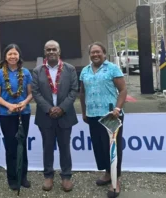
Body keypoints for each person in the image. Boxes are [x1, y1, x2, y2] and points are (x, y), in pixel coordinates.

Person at [79, 42, 127, 198]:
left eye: (98, 52)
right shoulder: (85, 71)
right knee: (99, 147)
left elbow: (123, 90)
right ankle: (107, 173)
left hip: (110, 115)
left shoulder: (112, 68)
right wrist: (84, 112)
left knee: (113, 148)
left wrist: (118, 109)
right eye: (92, 52)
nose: (95, 54)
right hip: (93, 115)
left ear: (104, 53)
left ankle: (116, 180)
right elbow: (82, 93)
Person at [32, 40, 79, 192]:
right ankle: (48, 175)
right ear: (44, 52)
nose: (51, 52)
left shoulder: (70, 69)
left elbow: (74, 90)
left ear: (59, 51)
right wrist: (49, 109)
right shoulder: (37, 70)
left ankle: (66, 176)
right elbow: (36, 92)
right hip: (45, 116)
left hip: (65, 115)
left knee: (65, 147)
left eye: (54, 49)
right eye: (48, 50)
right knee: (47, 147)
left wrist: (62, 108)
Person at [0, 44, 32, 190]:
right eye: (10, 54)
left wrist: (24, 102)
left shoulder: (26, 72)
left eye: (15, 54)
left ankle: (23, 176)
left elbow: (31, 93)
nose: (12, 56)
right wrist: (9, 105)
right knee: (10, 147)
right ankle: (12, 178)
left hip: (24, 113)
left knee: (22, 144)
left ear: (19, 56)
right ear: (5, 56)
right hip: (6, 114)